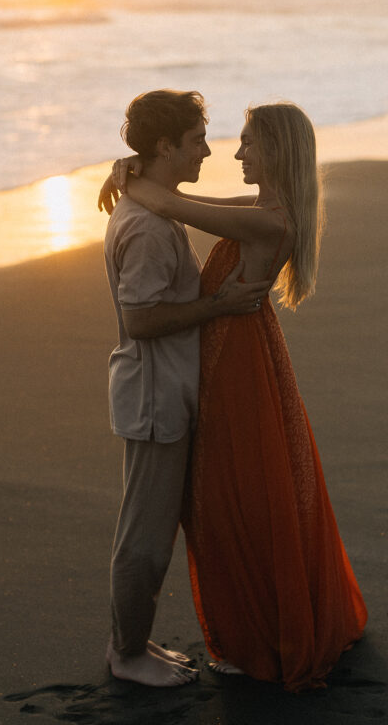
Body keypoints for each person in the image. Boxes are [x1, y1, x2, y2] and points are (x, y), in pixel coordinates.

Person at [104, 101, 368, 692]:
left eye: (247, 143)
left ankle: (253, 630)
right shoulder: (261, 210)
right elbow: (177, 207)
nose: (231, 152)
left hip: (233, 361)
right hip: (221, 359)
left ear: (276, 151)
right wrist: (133, 172)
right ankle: (138, 644)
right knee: (229, 502)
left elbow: (176, 205)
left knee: (240, 500)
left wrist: (130, 173)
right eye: (207, 139)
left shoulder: (268, 220)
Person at [100, 89, 271, 688]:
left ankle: (133, 641)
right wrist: (217, 305)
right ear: (166, 146)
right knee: (144, 538)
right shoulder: (148, 228)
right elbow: (142, 320)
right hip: (154, 395)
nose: (208, 150)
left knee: (152, 530)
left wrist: (134, 175)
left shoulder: (158, 207)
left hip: (165, 389)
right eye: (197, 139)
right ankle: (126, 654)